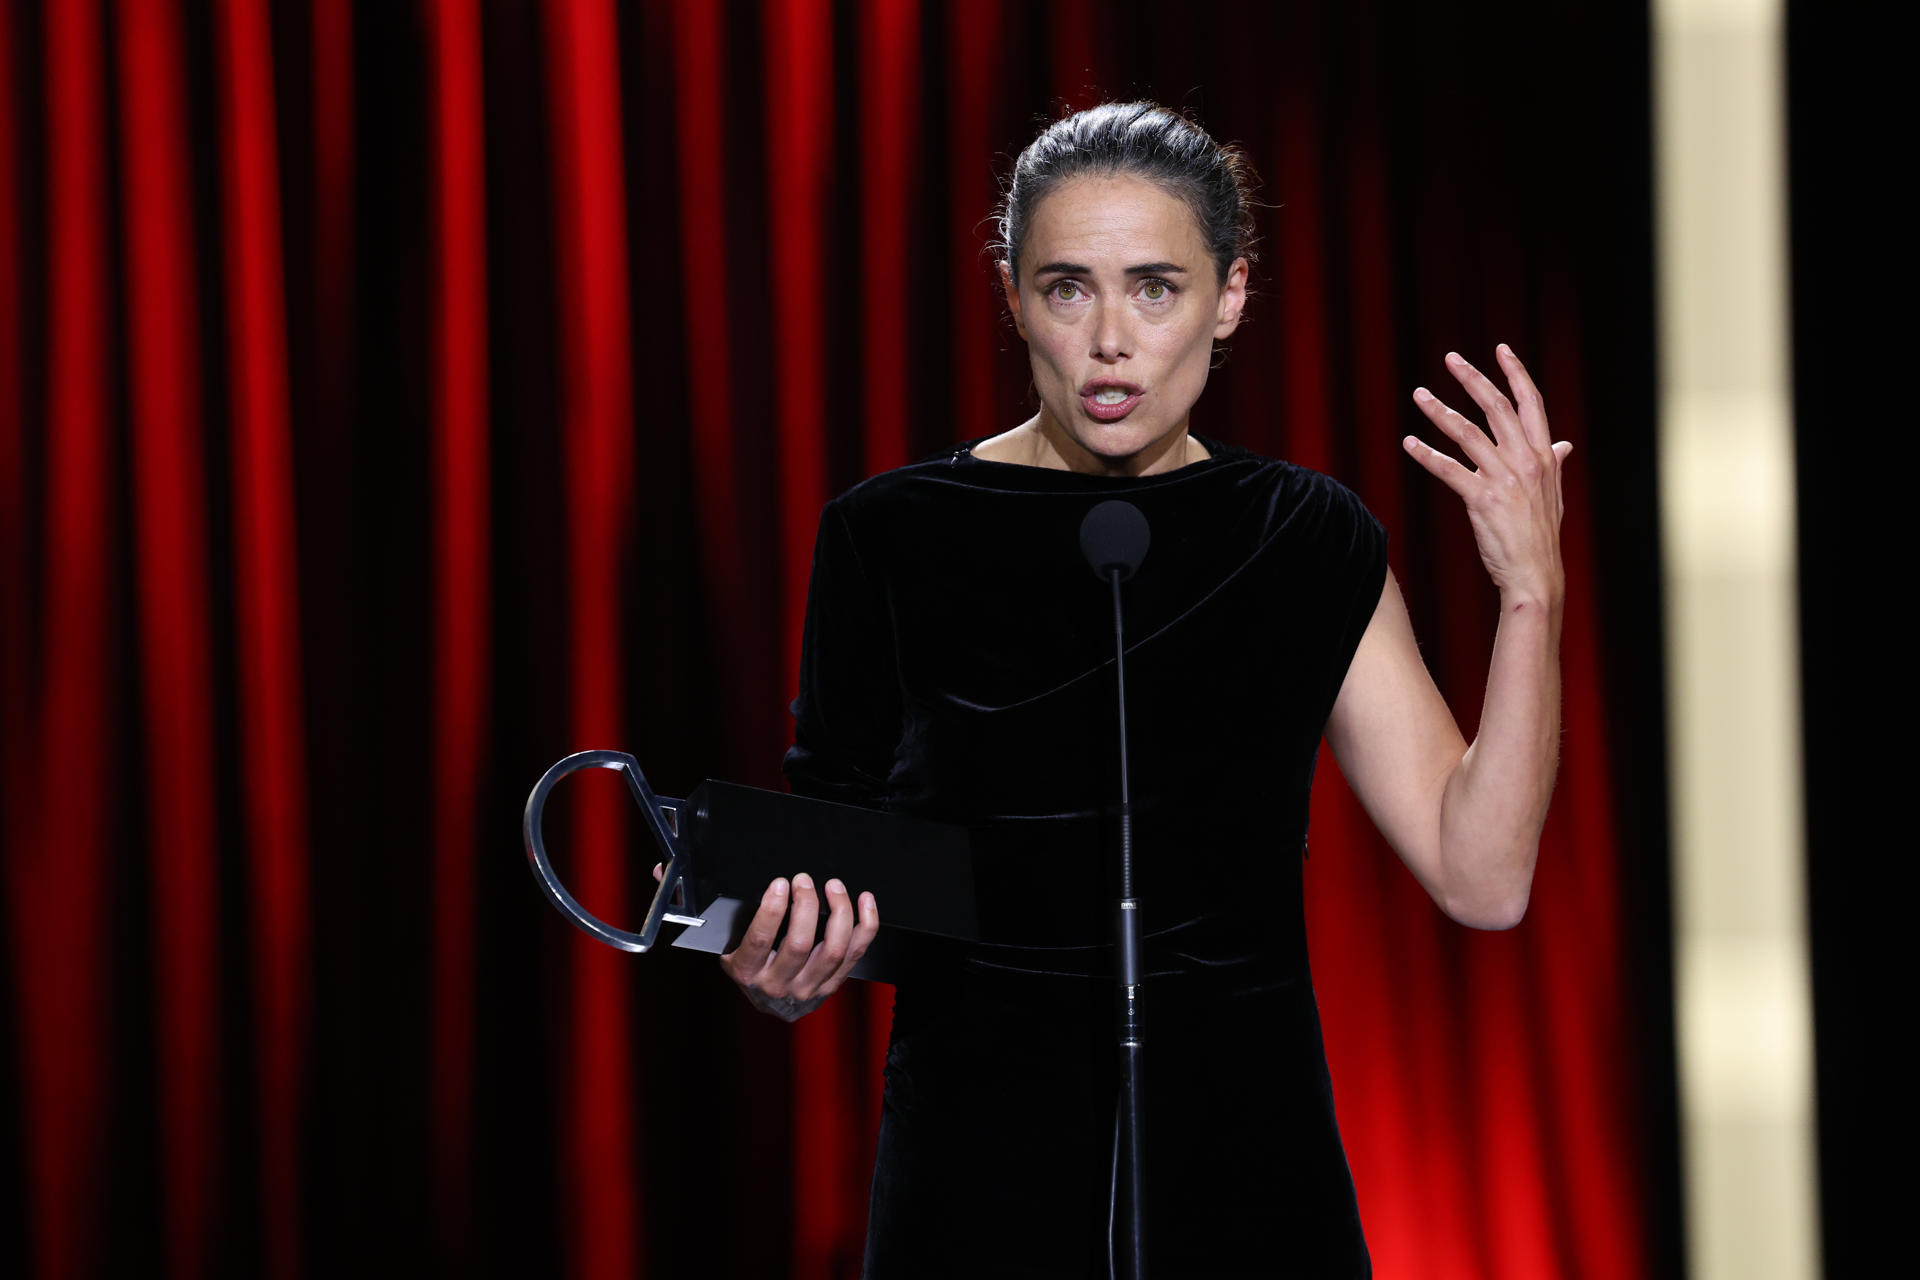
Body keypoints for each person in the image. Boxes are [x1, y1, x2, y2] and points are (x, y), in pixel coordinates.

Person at [693, 101, 1570, 1277]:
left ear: (1232, 295)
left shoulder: (1299, 535)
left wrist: (1531, 596)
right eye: (1067, 288)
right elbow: (826, 876)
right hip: (979, 1176)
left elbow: (1483, 874)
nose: (1111, 338)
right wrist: (776, 960)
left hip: (1250, 1174)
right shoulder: (889, 536)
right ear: (1014, 297)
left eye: (1156, 288)